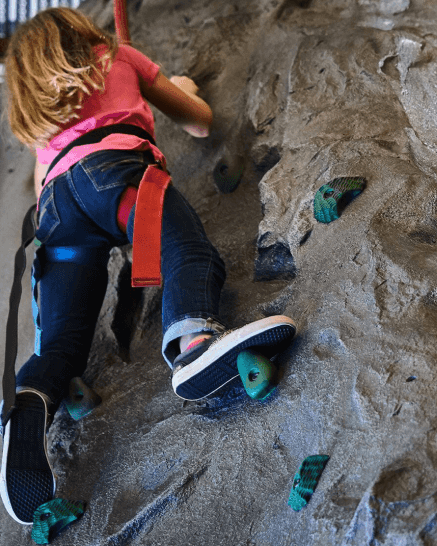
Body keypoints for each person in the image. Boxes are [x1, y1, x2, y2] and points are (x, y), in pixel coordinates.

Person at [1, 7, 296, 524]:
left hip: (56, 212)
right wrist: (172, 89)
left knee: (65, 342)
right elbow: (199, 123)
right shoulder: (117, 56)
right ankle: (194, 345)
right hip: (119, 177)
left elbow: (52, 171)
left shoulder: (38, 119)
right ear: (83, 34)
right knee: (188, 252)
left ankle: (33, 397)